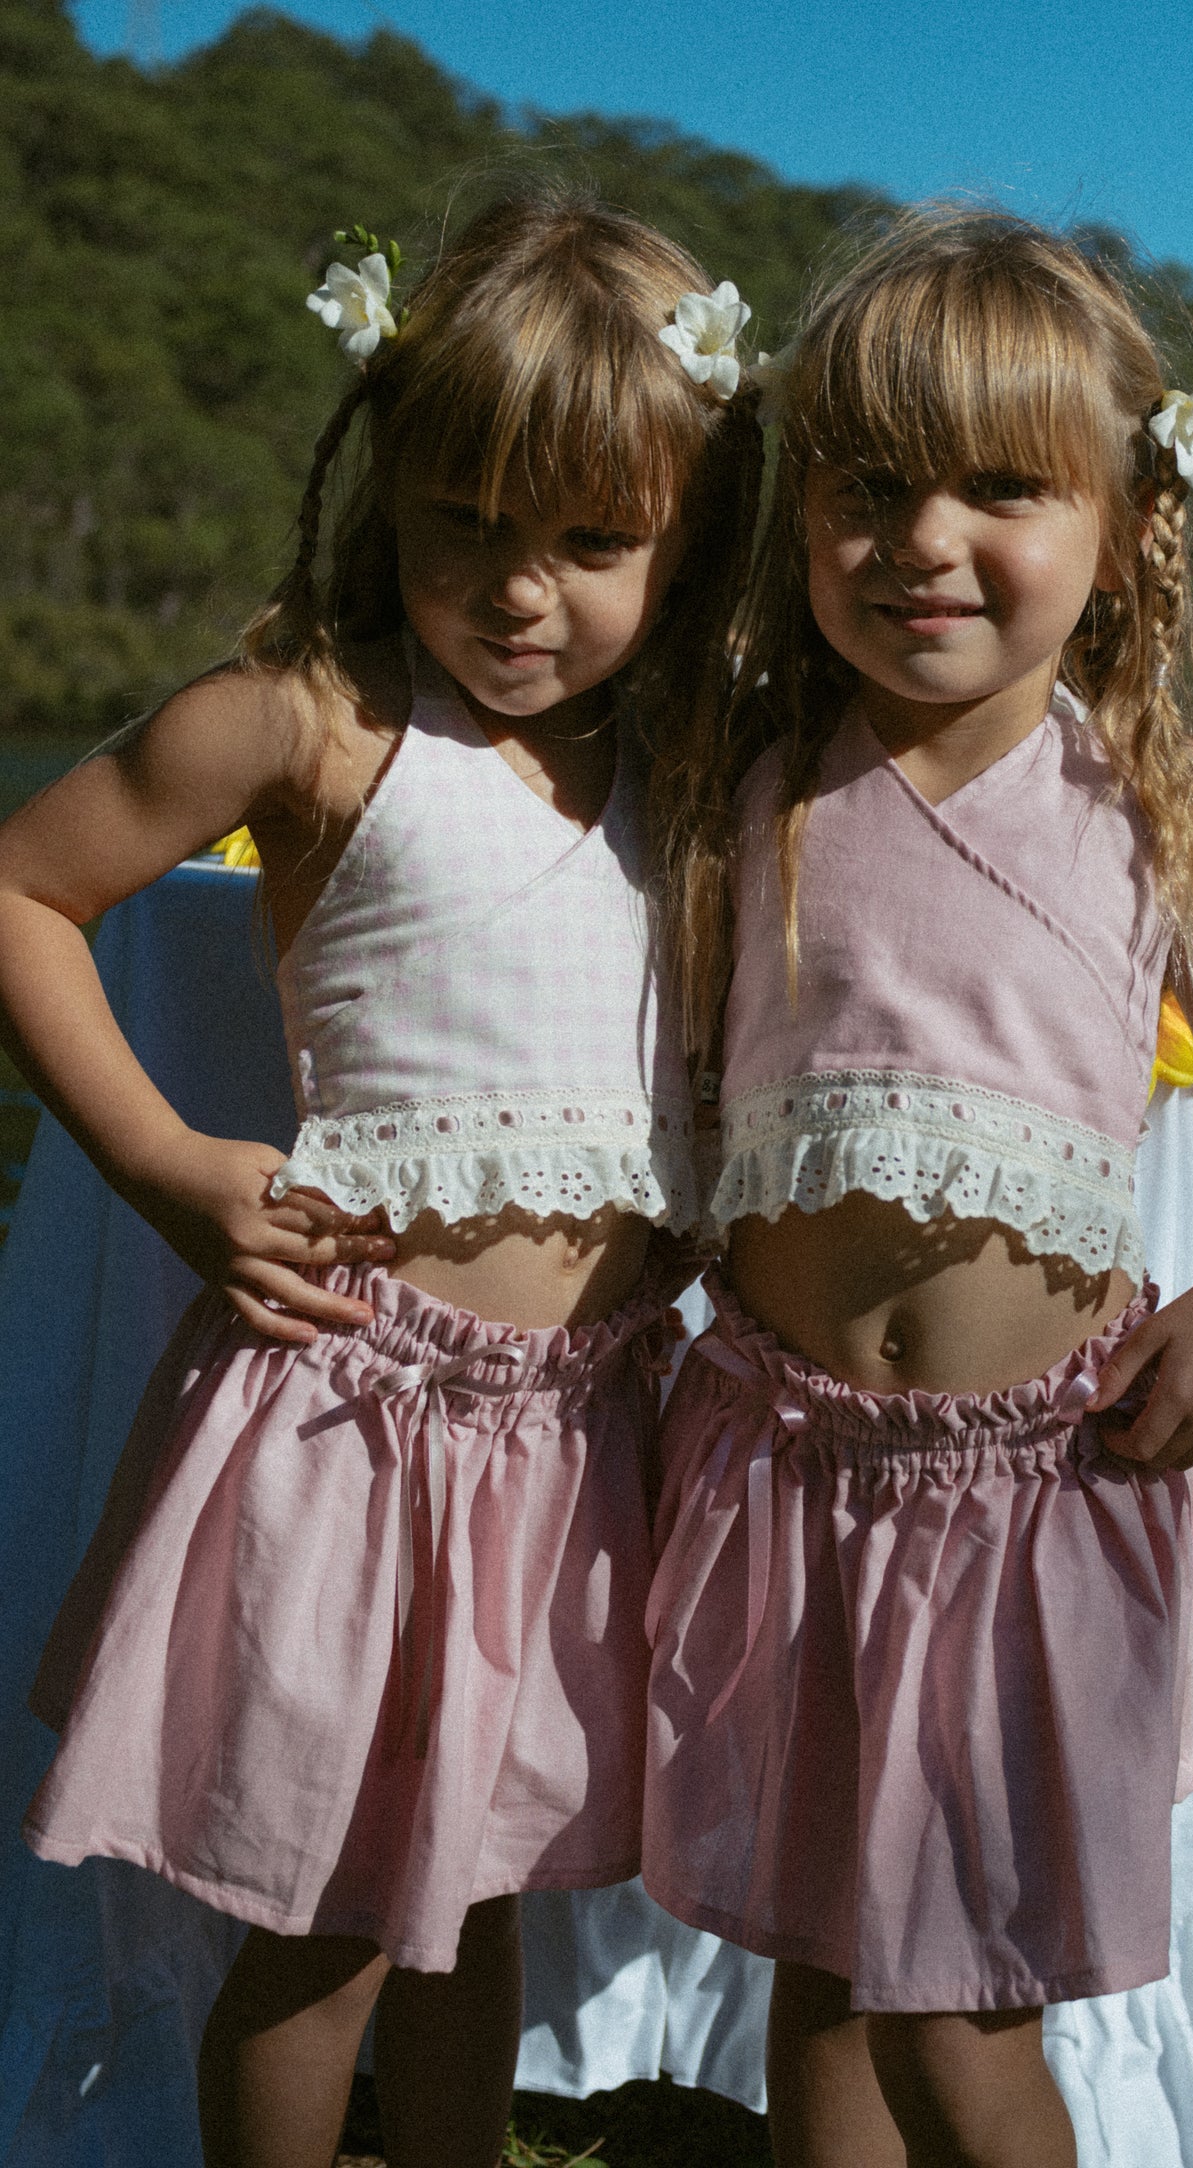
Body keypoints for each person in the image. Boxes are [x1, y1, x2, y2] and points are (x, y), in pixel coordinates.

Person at [0, 192, 761, 2168]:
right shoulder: (321, 722)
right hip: (355, 1422)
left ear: (688, 537)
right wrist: (165, 1158)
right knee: (330, 1922)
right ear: (392, 492)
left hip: (573, 1441)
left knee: (471, 1899)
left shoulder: (687, 768)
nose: (522, 594)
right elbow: (20, 881)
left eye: (593, 543)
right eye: (467, 525)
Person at [642, 210, 1193, 2168]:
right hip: (786, 1480)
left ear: (1120, 523)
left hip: (1033, 1493)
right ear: (797, 520)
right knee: (825, 1976)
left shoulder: (1165, 804)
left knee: (961, 2012)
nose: (925, 539)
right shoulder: (751, 786)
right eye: (869, 487)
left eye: (1003, 488)